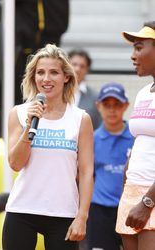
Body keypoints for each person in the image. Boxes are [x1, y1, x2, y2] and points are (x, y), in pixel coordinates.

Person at [2, 44, 94, 250]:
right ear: (33, 77)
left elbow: (87, 171)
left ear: (66, 77)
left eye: (54, 72)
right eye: (40, 72)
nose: (46, 79)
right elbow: (15, 164)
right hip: (22, 210)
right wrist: (29, 125)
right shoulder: (18, 113)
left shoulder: (81, 118)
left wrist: (82, 216)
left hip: (63, 213)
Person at [115, 21, 155, 250]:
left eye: (139, 48)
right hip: (132, 191)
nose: (133, 55)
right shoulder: (141, 93)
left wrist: (147, 202)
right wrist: (126, 193)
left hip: (151, 196)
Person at [87, 83, 134, 250]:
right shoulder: (91, 139)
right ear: (98, 106)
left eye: (117, 105)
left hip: (131, 209)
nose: (112, 110)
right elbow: (85, 176)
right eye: (107, 105)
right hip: (100, 211)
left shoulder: (137, 137)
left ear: (126, 106)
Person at [68, 49, 101, 129]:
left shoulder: (95, 97)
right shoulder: (56, 92)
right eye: (74, 64)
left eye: (82, 66)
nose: (77, 69)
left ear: (87, 70)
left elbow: (98, 125)